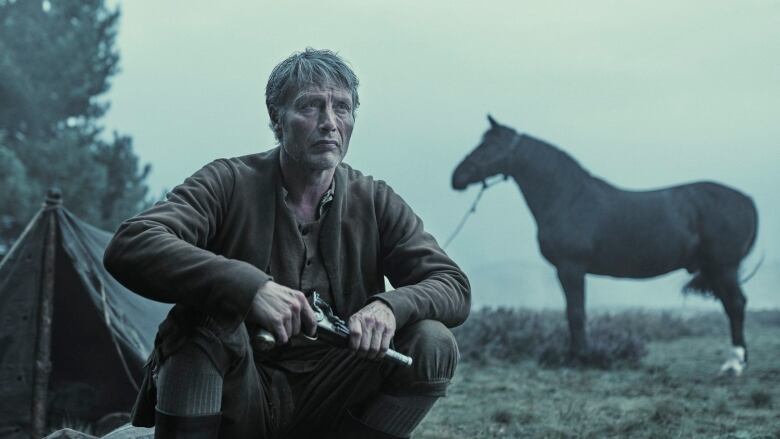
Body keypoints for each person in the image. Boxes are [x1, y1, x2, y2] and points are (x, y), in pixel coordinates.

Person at [103, 48, 470, 439]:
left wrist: (389, 307)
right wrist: (249, 289)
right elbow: (132, 243)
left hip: (335, 392)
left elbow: (452, 284)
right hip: (236, 395)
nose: (330, 123)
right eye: (311, 106)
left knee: (433, 342)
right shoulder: (229, 181)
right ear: (277, 119)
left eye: (342, 108)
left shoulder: (374, 200)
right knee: (200, 319)